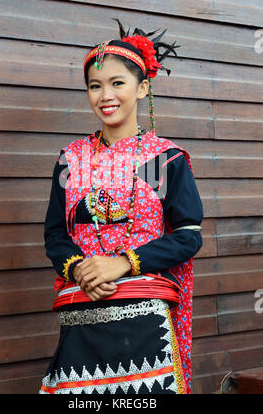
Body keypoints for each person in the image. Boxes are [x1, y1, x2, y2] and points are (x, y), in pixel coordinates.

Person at [39, 19, 203, 395]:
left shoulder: (162, 159)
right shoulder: (71, 160)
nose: (105, 95)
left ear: (142, 87)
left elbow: (188, 236)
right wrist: (80, 268)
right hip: (83, 310)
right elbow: (55, 234)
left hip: (145, 321)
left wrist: (123, 262)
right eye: (95, 86)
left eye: (117, 83)